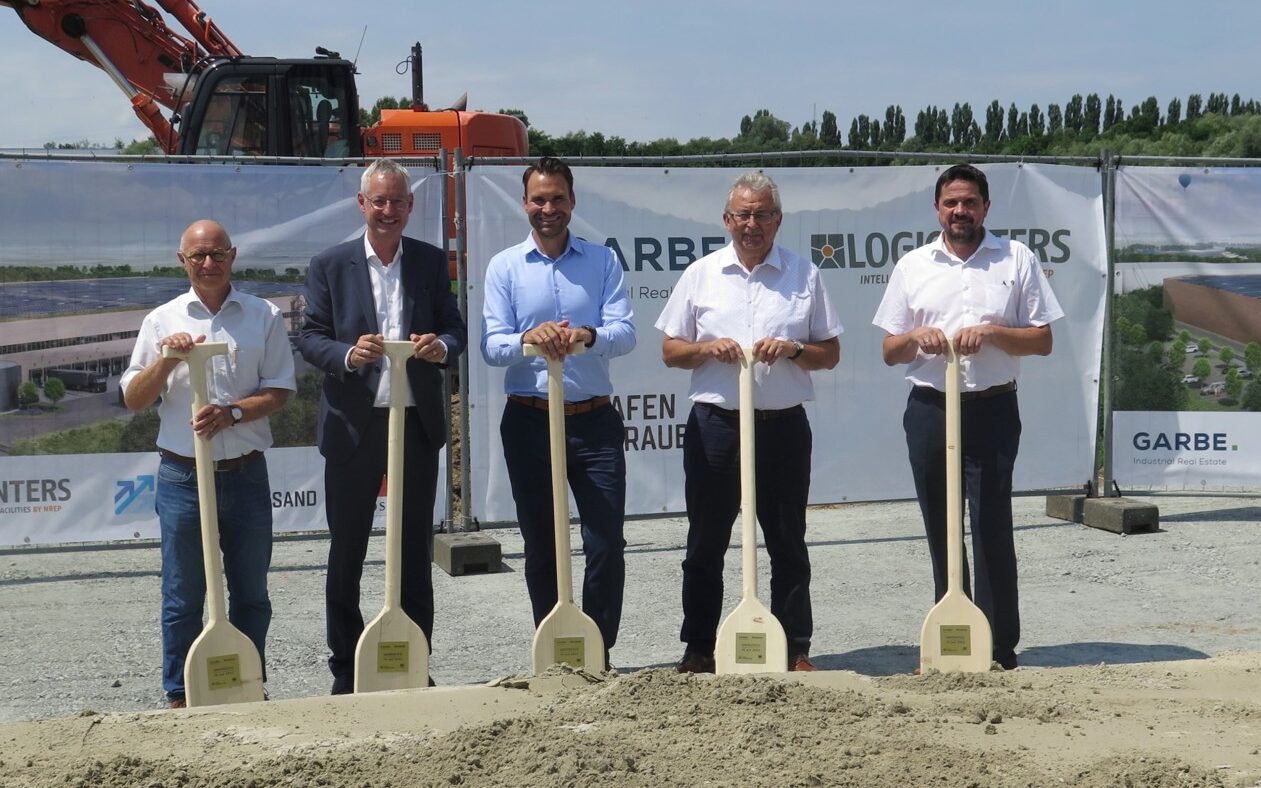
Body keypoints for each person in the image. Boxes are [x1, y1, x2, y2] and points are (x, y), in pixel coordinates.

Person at [872, 163, 1064, 670]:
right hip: (931, 409)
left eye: (970, 202)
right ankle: (953, 638)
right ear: (937, 209)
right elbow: (890, 350)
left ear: (986, 207)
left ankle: (998, 647)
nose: (961, 211)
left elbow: (1043, 340)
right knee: (942, 526)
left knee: (992, 525)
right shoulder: (913, 265)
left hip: (993, 408)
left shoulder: (1016, 258)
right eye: (951, 203)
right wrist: (915, 338)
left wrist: (994, 332)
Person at [656, 171, 842, 674]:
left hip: (782, 427)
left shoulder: (804, 275)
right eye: (743, 214)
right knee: (706, 541)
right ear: (727, 220)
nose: (752, 224)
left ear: (778, 220)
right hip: (715, 427)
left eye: (762, 214)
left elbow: (830, 353)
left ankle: (794, 647)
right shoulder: (702, 274)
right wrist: (704, 349)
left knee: (787, 541)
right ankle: (699, 648)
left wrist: (795, 348)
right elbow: (670, 351)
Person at [296, 158, 466, 694]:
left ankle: (412, 658)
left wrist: (441, 347)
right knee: (347, 551)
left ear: (410, 206)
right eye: (379, 201)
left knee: (414, 550)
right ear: (361, 204)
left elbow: (455, 329)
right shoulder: (330, 264)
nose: (388, 210)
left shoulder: (430, 262)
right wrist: (349, 355)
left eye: (397, 201)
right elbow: (310, 337)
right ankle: (346, 668)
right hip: (354, 426)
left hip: (415, 424)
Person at [121, 219, 295, 708]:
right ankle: (180, 694)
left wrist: (233, 413)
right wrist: (167, 360)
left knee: (251, 593)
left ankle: (247, 683)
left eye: (217, 253)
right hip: (183, 477)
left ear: (232, 256)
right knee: (183, 595)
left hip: (245, 473)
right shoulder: (161, 320)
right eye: (198, 255)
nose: (208, 263)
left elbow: (280, 390)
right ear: (183, 261)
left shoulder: (262, 315)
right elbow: (134, 398)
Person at [481, 156, 636, 667]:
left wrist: (587, 335)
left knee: (605, 542)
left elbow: (625, 334)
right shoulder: (504, 267)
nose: (548, 209)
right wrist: (529, 338)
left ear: (572, 201)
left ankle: (597, 651)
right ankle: (554, 650)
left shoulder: (603, 261)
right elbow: (491, 346)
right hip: (529, 421)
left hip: (594, 423)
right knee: (542, 545)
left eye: (557, 199)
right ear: (525, 203)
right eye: (539, 200)